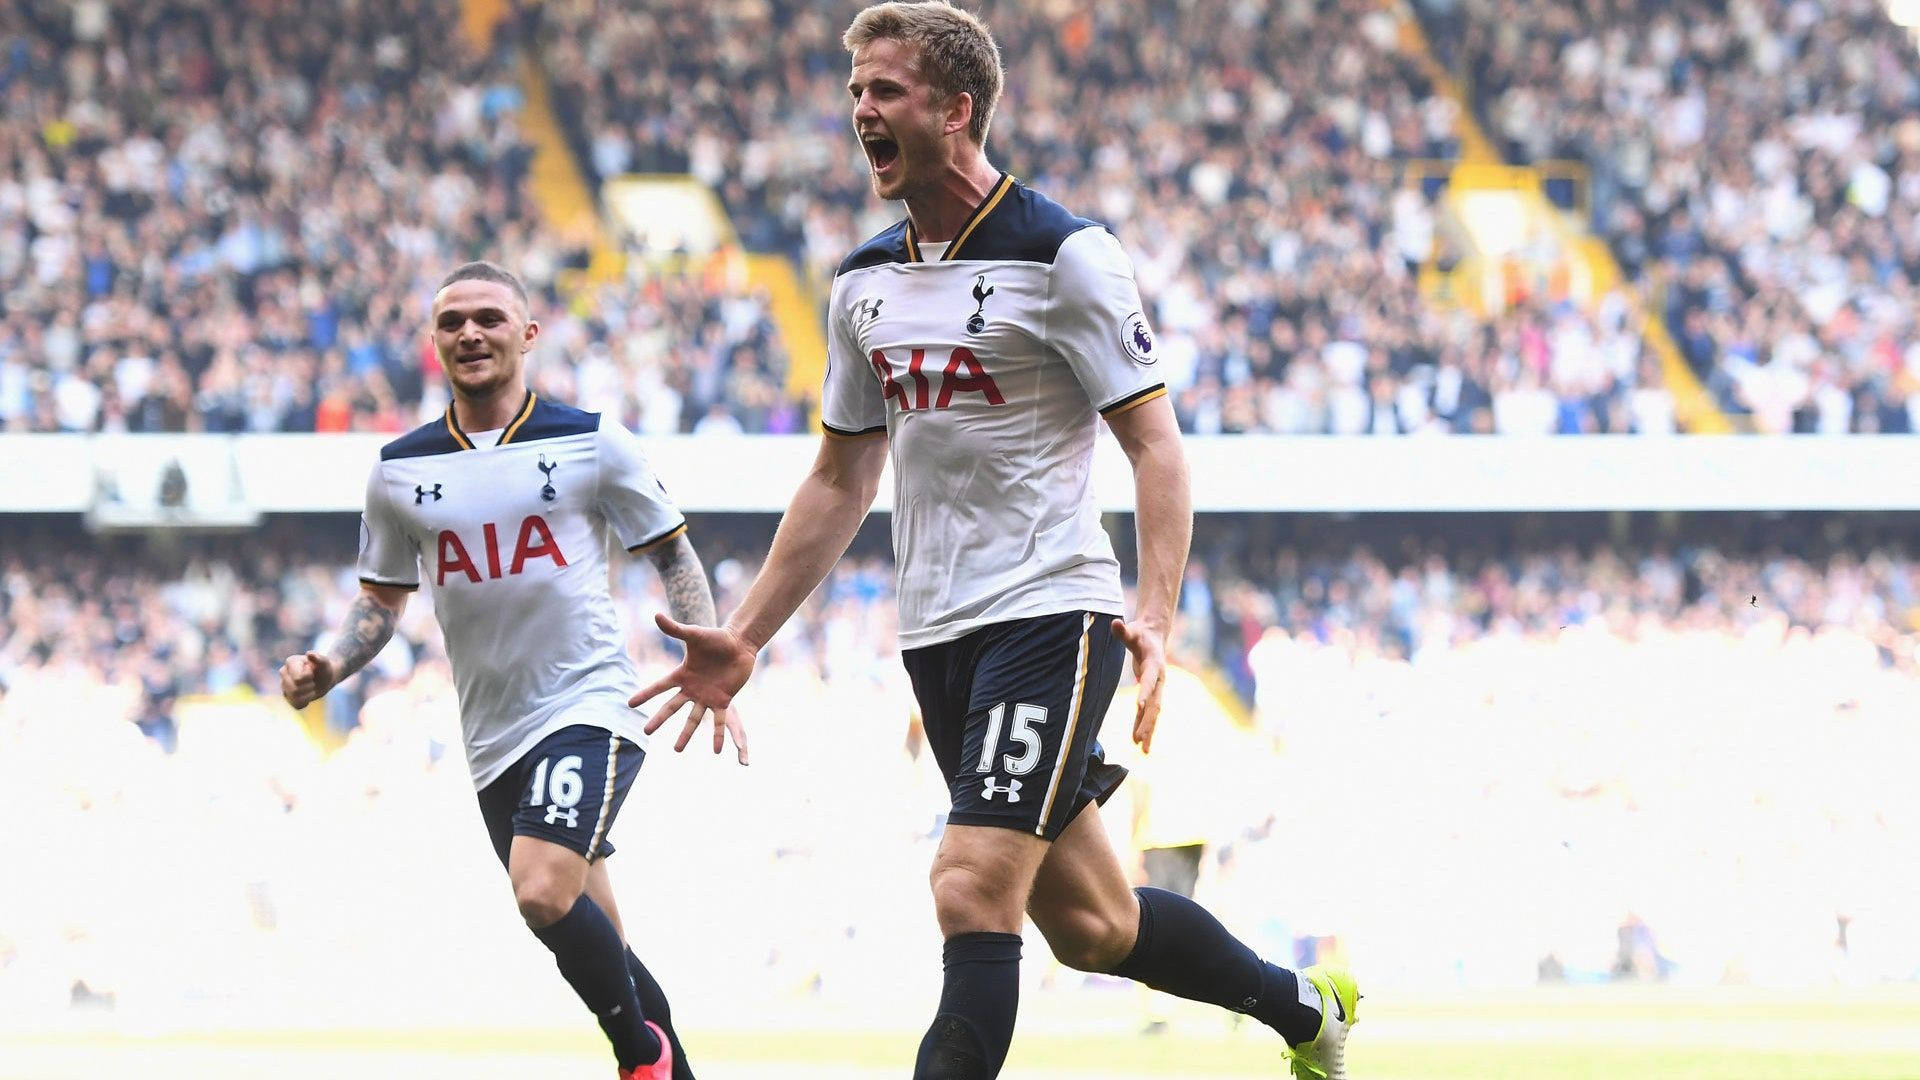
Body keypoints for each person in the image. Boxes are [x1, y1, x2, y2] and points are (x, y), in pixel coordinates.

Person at [630, 5, 1358, 1078]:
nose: (861, 113)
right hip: (939, 637)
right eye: (856, 93)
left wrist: (1151, 613)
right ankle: (1307, 1011)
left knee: (968, 888)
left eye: (885, 92)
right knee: (1095, 927)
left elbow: (1157, 448)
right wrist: (745, 636)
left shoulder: (1066, 257)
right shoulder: (861, 284)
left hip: (1051, 614)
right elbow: (840, 475)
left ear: (957, 109)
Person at [281, 261, 736, 1080]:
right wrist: (330, 664)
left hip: (589, 704)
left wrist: (705, 645)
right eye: (452, 322)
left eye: (489, 318)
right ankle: (665, 1058)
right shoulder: (399, 470)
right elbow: (381, 602)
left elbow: (672, 552)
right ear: (434, 343)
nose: (470, 334)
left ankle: (640, 1058)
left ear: (526, 335)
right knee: (602, 941)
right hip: (491, 735)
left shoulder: (591, 439)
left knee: (540, 891)